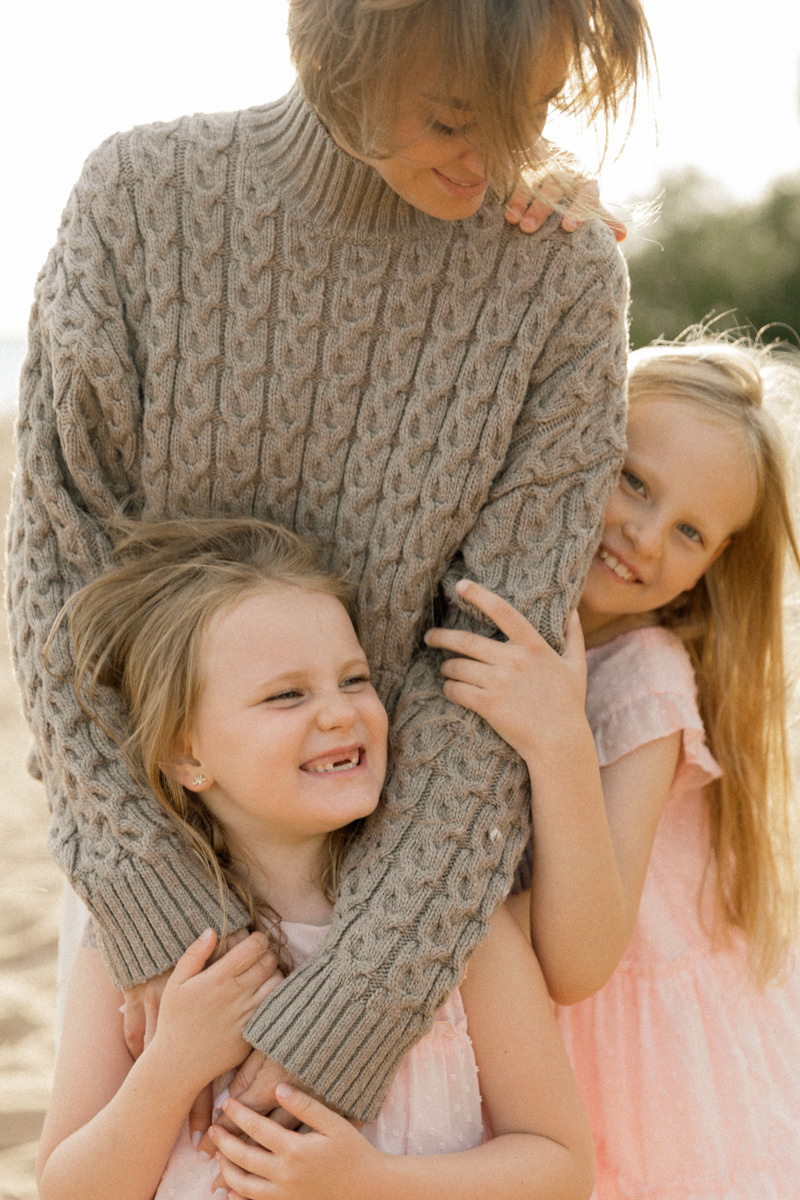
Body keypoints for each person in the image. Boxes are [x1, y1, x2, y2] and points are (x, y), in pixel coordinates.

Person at [7, 0, 651, 1121]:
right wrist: (160, 912)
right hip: (153, 884)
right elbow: (58, 578)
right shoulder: (139, 200)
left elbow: (487, 672)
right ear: (339, 44)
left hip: (415, 928)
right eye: (457, 115)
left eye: (533, 112)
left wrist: (357, 998)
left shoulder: (559, 280)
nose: (502, 157)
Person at [35, 516, 594, 1200]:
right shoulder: (142, 947)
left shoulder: (453, 927)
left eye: (354, 679)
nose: (338, 712)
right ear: (188, 754)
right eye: (287, 694)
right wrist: (172, 1065)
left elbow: (560, 1164)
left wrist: (372, 1183)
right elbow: (69, 1189)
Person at [425, 335, 800, 1194]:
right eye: (634, 480)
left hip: (629, 1050)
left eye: (691, 532)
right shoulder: (511, 601)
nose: (643, 533)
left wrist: (559, 736)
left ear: (707, 572)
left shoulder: (648, 681)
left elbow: (580, 959)